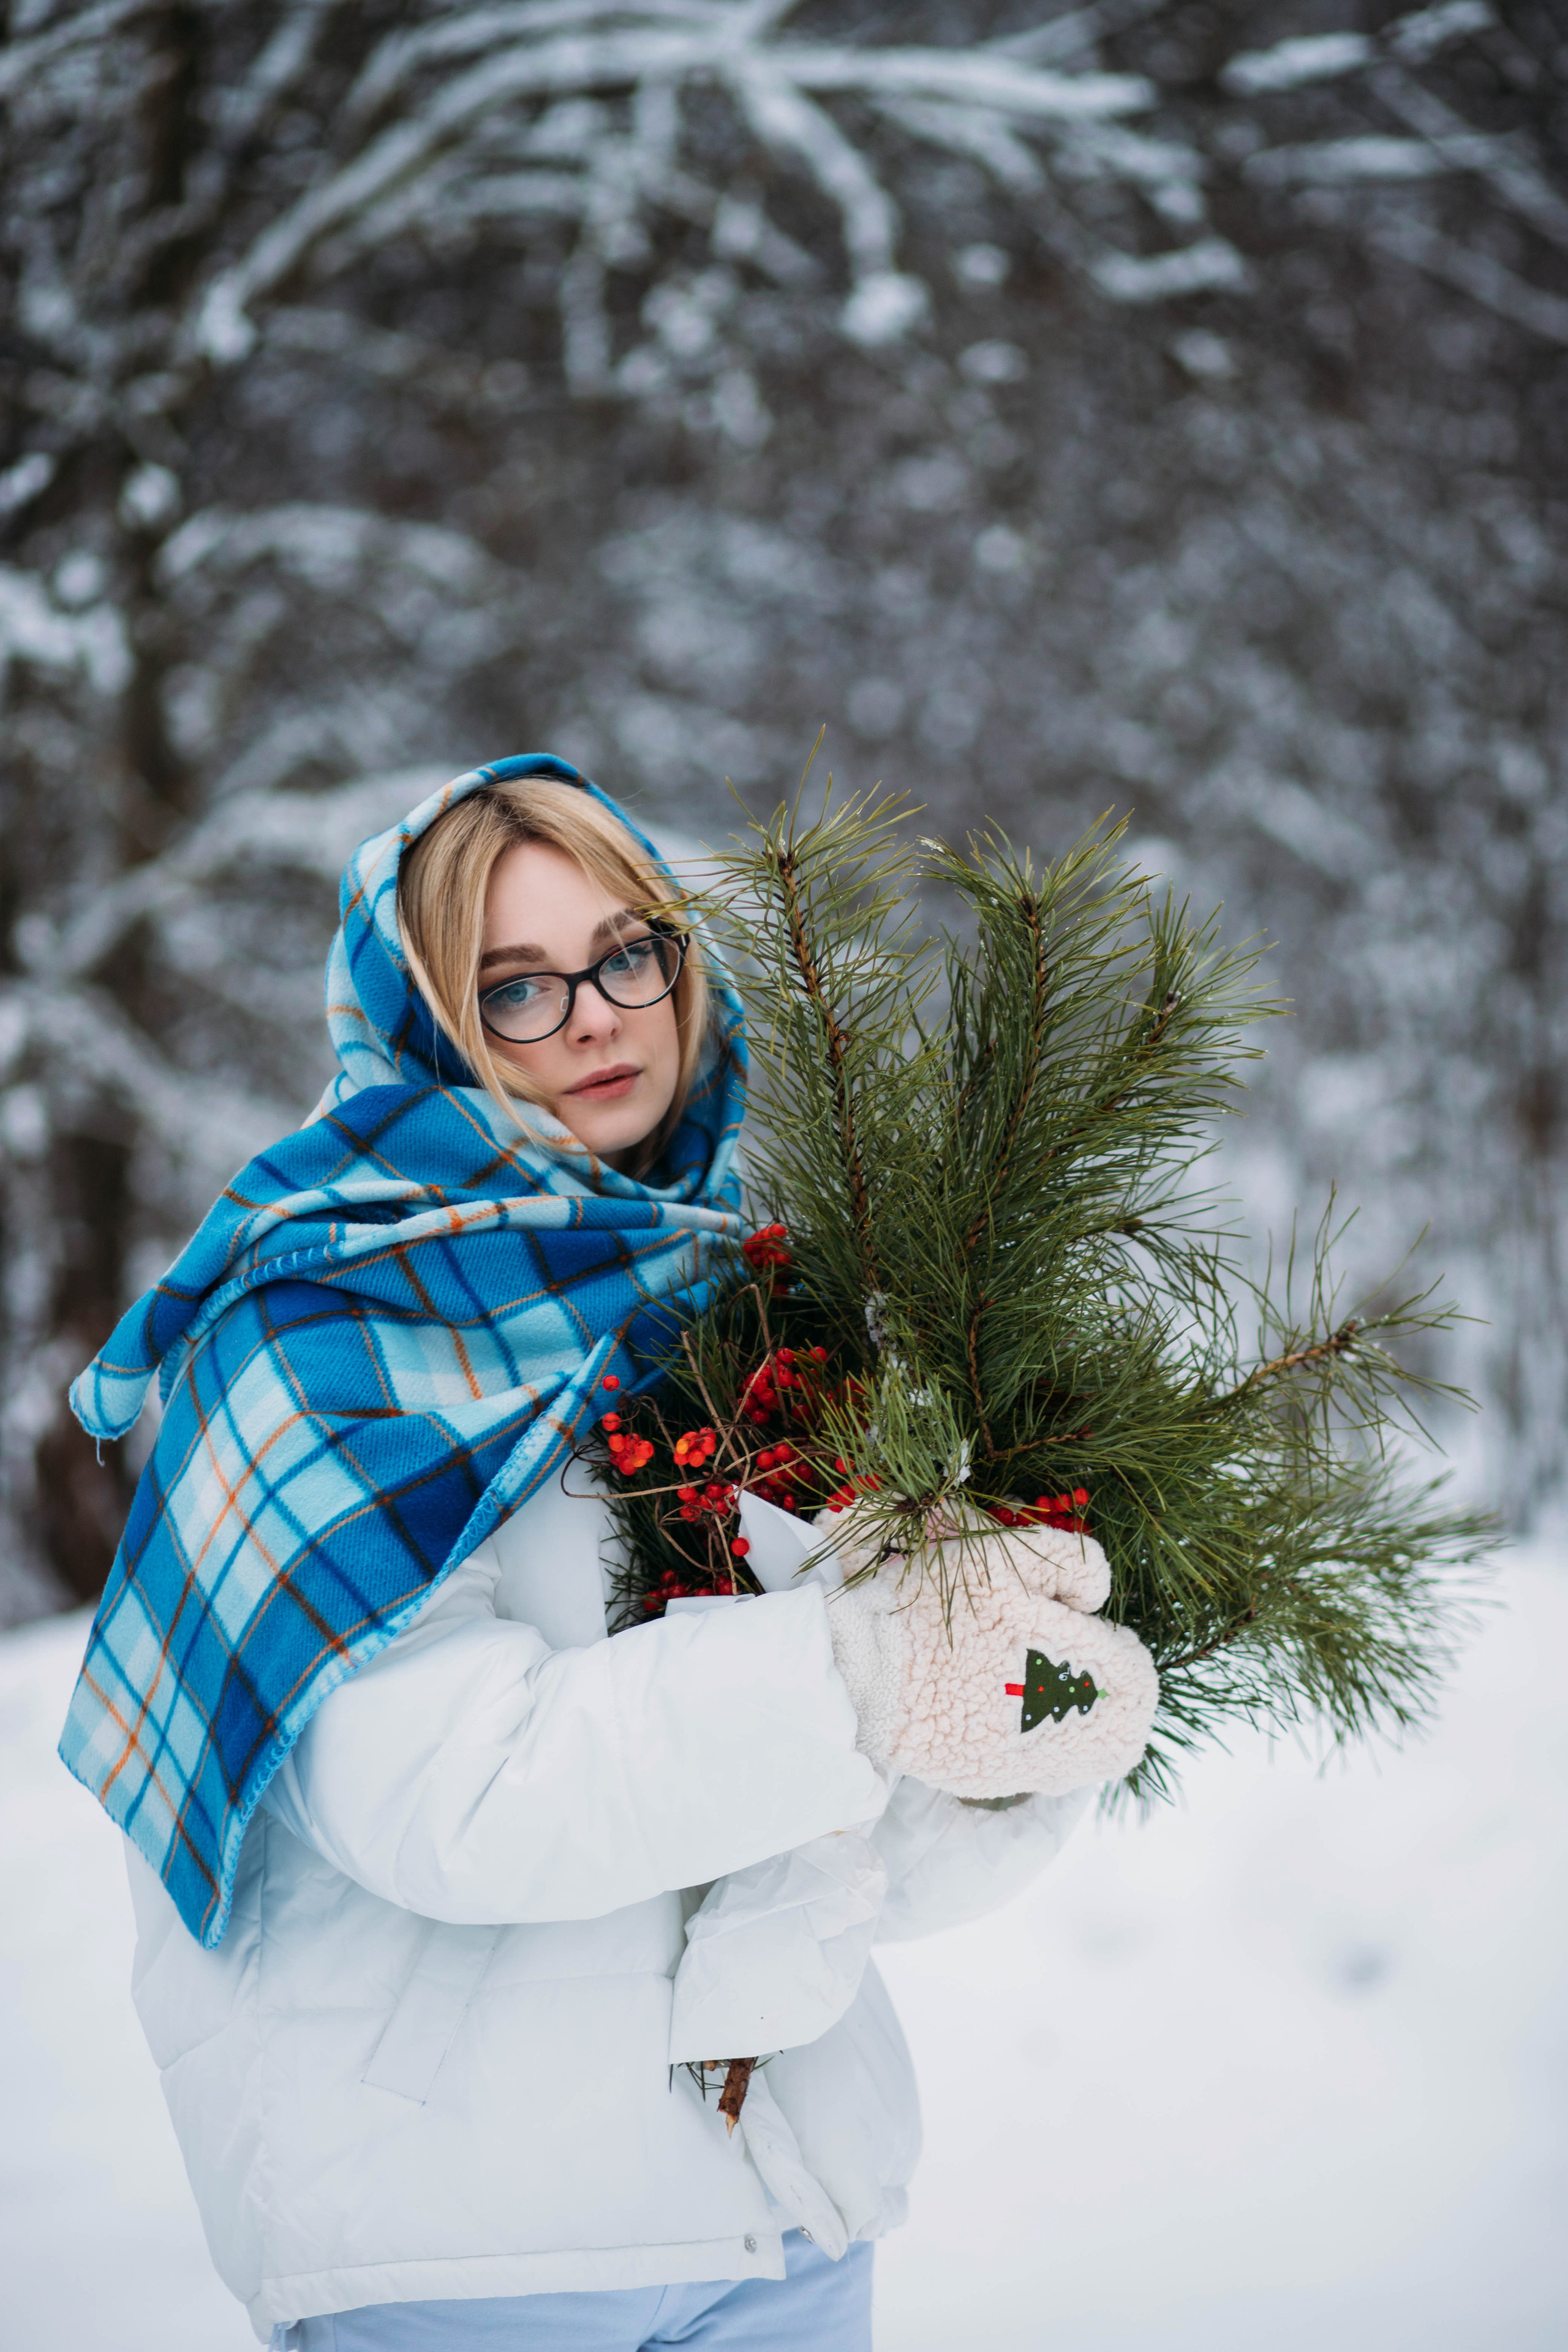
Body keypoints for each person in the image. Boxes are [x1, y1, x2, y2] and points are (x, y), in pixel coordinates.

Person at [61, 758, 1092, 2351]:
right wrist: (865, 1665)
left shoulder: (743, 1307)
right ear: (421, 1026)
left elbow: (824, 1835)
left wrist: (1017, 1708)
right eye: (516, 988)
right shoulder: (315, 1341)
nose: (599, 1015)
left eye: (629, 953)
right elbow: (458, 1798)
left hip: (778, 2211)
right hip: (467, 2258)